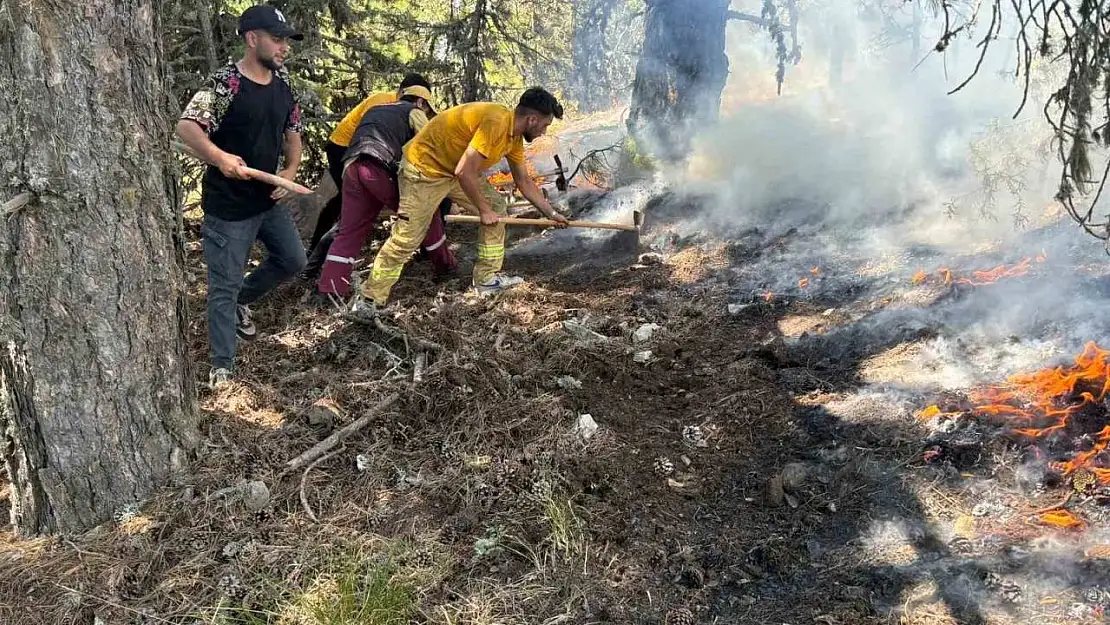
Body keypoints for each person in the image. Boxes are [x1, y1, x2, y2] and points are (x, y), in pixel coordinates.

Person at [176, 4, 307, 388]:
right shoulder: (225, 83)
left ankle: (241, 302)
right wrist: (218, 158)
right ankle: (222, 368)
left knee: (293, 259)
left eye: (287, 41)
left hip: (268, 201)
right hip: (229, 208)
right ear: (253, 39)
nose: (285, 48)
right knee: (223, 284)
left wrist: (289, 173)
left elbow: (293, 133)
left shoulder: (284, 84)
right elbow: (187, 127)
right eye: (278, 39)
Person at [354, 87, 569, 315]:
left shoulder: (513, 138)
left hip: (452, 170)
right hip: (424, 171)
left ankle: (486, 279)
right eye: (545, 125)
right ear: (532, 119)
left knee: (498, 206)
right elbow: (465, 171)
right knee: (408, 238)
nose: (543, 132)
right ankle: (369, 299)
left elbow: (524, 181)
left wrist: (551, 214)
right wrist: (483, 210)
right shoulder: (496, 121)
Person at [311, 86, 458, 302]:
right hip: (380, 167)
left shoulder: (378, 109)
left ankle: (329, 290)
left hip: (352, 168)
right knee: (426, 213)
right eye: (427, 110)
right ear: (421, 102)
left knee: (349, 232)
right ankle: (446, 266)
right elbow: (431, 143)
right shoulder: (414, 112)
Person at [305, 72, 433, 266]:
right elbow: (374, 134)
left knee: (345, 203)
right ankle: (315, 257)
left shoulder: (402, 105)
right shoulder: (384, 101)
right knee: (349, 204)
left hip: (361, 150)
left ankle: (316, 256)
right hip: (344, 147)